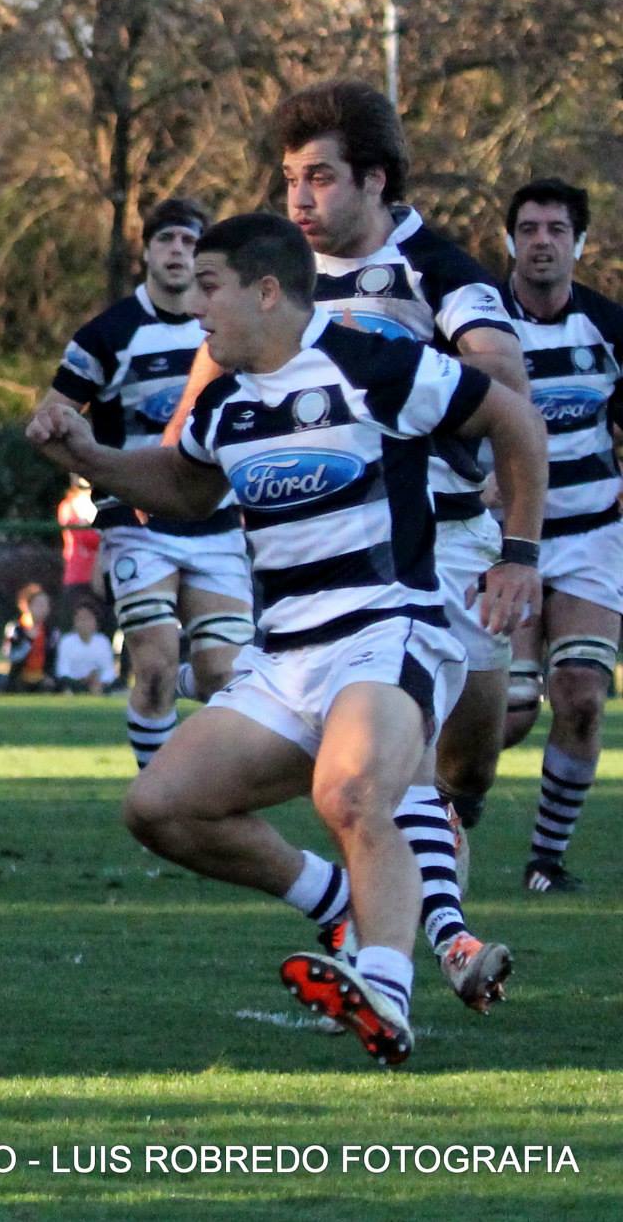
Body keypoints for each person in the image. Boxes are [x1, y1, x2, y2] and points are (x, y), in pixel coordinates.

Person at [31, 212, 543, 1065]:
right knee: (158, 808)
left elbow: (515, 424)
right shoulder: (225, 401)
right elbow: (185, 489)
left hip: (389, 629)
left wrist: (520, 554)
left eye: (209, 289)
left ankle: (385, 986)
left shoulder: (374, 364)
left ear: (267, 292)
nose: (196, 311)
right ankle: (339, 902)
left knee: (349, 795)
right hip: (286, 657)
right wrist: (85, 452)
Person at [32, 199, 255, 769]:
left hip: (216, 519)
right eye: (167, 241)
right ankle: (158, 803)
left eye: (189, 242)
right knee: (152, 670)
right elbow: (50, 420)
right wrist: (92, 463)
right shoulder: (108, 335)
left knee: (223, 678)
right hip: (137, 524)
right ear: (147, 251)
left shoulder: (228, 331)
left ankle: (205, 785)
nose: (178, 251)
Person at [494, 178, 621, 893]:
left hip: (593, 534)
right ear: (511, 240)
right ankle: (452, 805)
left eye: (557, 230)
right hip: (504, 537)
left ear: (579, 242)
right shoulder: (476, 325)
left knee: (579, 695)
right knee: (508, 713)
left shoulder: (608, 327)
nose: (543, 241)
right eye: (531, 229)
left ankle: (546, 860)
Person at [54, 475, 101, 628]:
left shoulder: (103, 504)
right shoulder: (68, 506)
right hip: (78, 578)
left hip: (102, 576)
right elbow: (84, 537)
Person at [2, 583, 59, 693]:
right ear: (27, 606)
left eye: (45, 605)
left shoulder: (51, 632)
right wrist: (28, 640)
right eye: (38, 604)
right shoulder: (15, 629)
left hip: (42, 679)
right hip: (19, 680)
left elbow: (53, 660)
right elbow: (11, 656)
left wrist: (50, 676)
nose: (42, 608)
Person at [55, 602, 118, 694]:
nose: (84, 623)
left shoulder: (103, 641)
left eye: (88, 619)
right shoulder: (66, 642)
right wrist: (82, 680)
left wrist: (100, 682)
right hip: (74, 684)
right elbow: (63, 670)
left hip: (99, 684)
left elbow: (108, 670)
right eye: (80, 619)